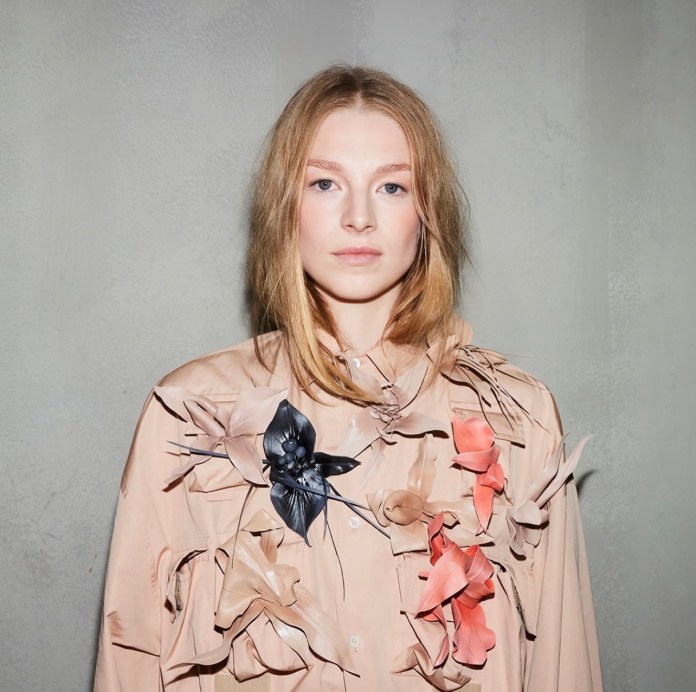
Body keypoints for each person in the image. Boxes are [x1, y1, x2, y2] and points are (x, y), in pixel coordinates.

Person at [94, 65, 603, 692]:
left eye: (391, 187)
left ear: (427, 212)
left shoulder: (518, 418)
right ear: (286, 206)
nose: (359, 216)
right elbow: (132, 658)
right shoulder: (189, 415)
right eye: (325, 182)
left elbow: (561, 663)